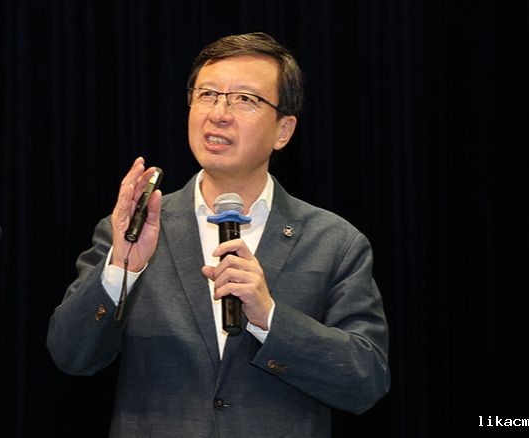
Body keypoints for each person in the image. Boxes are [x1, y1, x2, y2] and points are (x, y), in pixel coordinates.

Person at [47, 31, 390, 437]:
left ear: (283, 130)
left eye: (245, 99)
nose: (219, 114)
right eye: (207, 94)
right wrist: (121, 267)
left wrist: (269, 318)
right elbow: (71, 355)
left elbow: (366, 381)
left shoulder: (335, 242)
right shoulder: (134, 229)